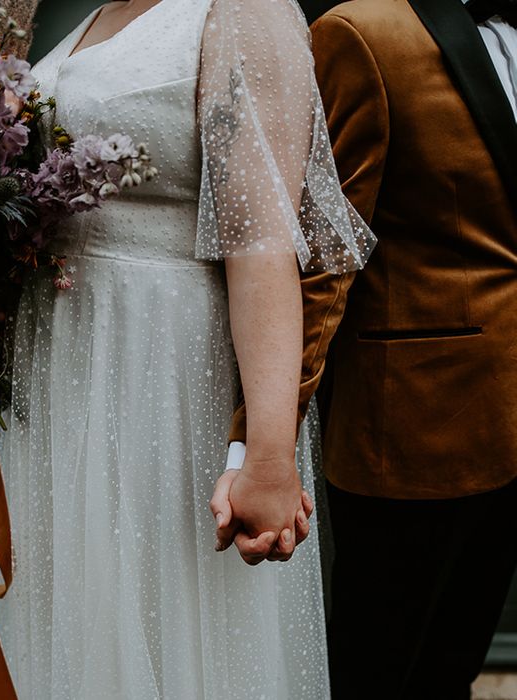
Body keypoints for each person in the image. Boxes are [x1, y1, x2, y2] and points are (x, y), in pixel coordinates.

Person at [0, 0, 374, 697]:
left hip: (160, 368)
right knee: (78, 602)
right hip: (65, 366)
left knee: (168, 607)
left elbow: (261, 247)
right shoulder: (87, 12)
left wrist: (267, 453)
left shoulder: (244, 11)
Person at [222, 0, 517, 697]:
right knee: (379, 674)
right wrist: (259, 448)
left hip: (510, 429)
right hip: (414, 434)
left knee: (456, 666)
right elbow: (323, 259)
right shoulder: (362, 33)